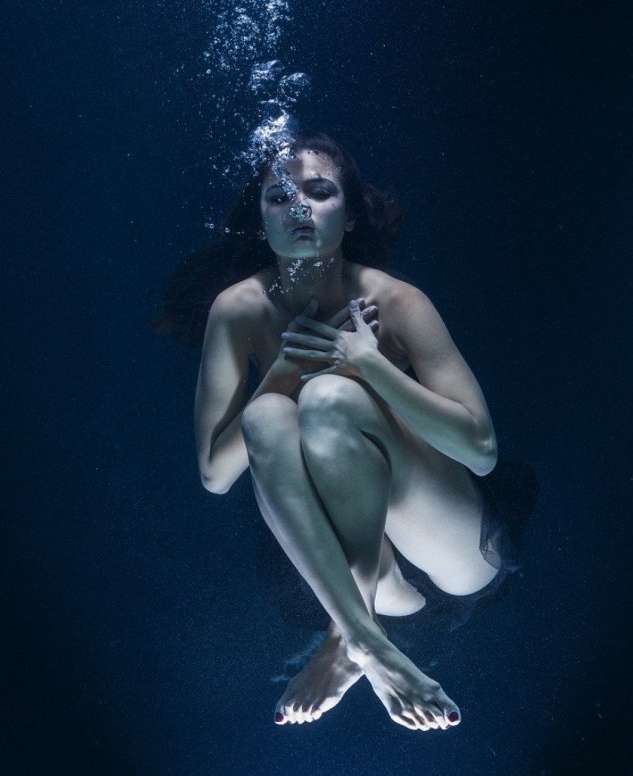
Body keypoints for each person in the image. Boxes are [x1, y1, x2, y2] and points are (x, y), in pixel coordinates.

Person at [156, 132, 508, 732]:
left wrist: (367, 363)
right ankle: (363, 640)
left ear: (348, 217)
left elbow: (481, 451)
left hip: (451, 553)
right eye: (278, 197)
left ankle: (344, 640)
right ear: (262, 221)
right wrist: (282, 372)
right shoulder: (239, 309)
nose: (298, 207)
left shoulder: (395, 301)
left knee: (330, 396)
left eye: (319, 192)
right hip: (369, 576)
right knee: (266, 414)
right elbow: (215, 475)